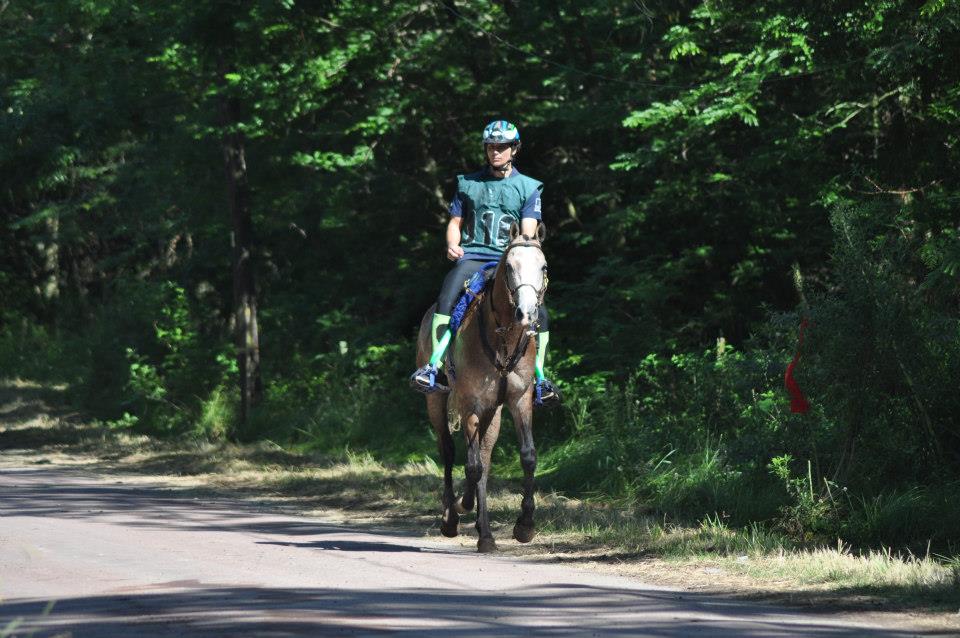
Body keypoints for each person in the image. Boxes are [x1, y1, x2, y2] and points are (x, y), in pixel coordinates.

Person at [410, 120, 560, 407]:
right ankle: (434, 367)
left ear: (514, 149)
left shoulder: (528, 188)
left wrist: (521, 253)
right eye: (491, 147)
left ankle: (540, 380)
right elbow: (456, 222)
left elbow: (528, 232)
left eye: (502, 147)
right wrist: (453, 245)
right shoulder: (469, 184)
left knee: (540, 312)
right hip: (474, 256)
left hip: (509, 261)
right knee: (447, 298)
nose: (495, 152)